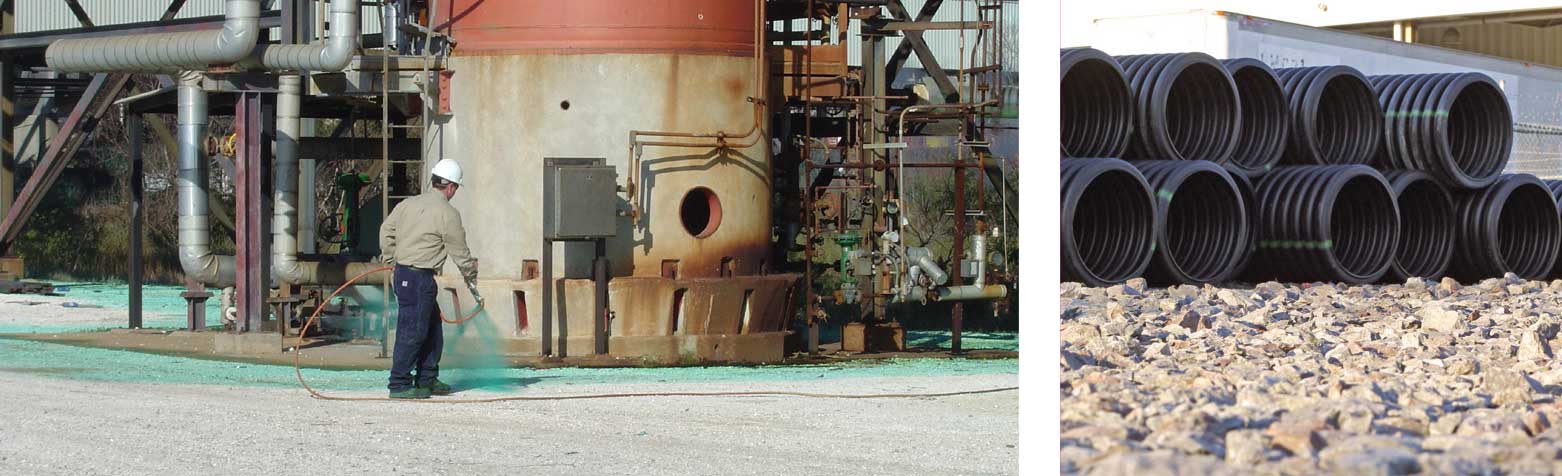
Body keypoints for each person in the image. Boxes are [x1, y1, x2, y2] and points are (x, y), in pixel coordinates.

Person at [378, 158, 481, 399]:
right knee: (412, 330)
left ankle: (427, 377)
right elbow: (460, 251)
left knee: (432, 328)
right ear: (452, 187)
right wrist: (471, 277)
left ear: (433, 180)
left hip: (403, 274)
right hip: (419, 278)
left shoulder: (407, 204)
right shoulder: (448, 213)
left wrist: (390, 259)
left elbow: (386, 230)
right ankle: (399, 384)